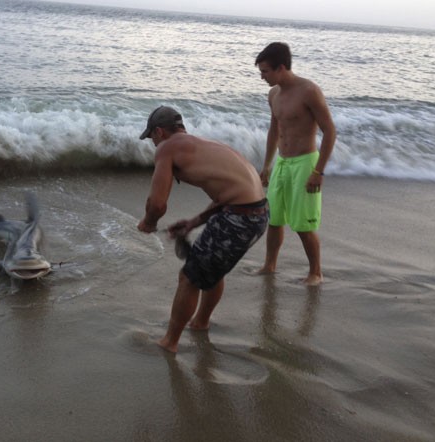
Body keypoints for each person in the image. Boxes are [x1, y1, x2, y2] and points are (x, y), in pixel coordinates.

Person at [137, 105, 268, 353]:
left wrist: (148, 223)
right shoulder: (207, 145)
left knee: (189, 278)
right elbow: (230, 193)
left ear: (159, 131)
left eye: (151, 137)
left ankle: (170, 342)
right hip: (256, 212)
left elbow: (157, 203)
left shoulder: (167, 148)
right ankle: (199, 323)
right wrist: (194, 222)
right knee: (209, 271)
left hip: (239, 217)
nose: (153, 143)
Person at [254, 42, 336, 285]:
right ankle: (269, 265)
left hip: (305, 163)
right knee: (274, 218)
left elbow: (330, 131)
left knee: (302, 223)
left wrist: (318, 171)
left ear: (281, 67)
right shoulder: (273, 94)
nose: (262, 77)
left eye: (265, 71)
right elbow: (273, 130)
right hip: (282, 162)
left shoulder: (309, 91)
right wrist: (266, 165)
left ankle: (316, 273)